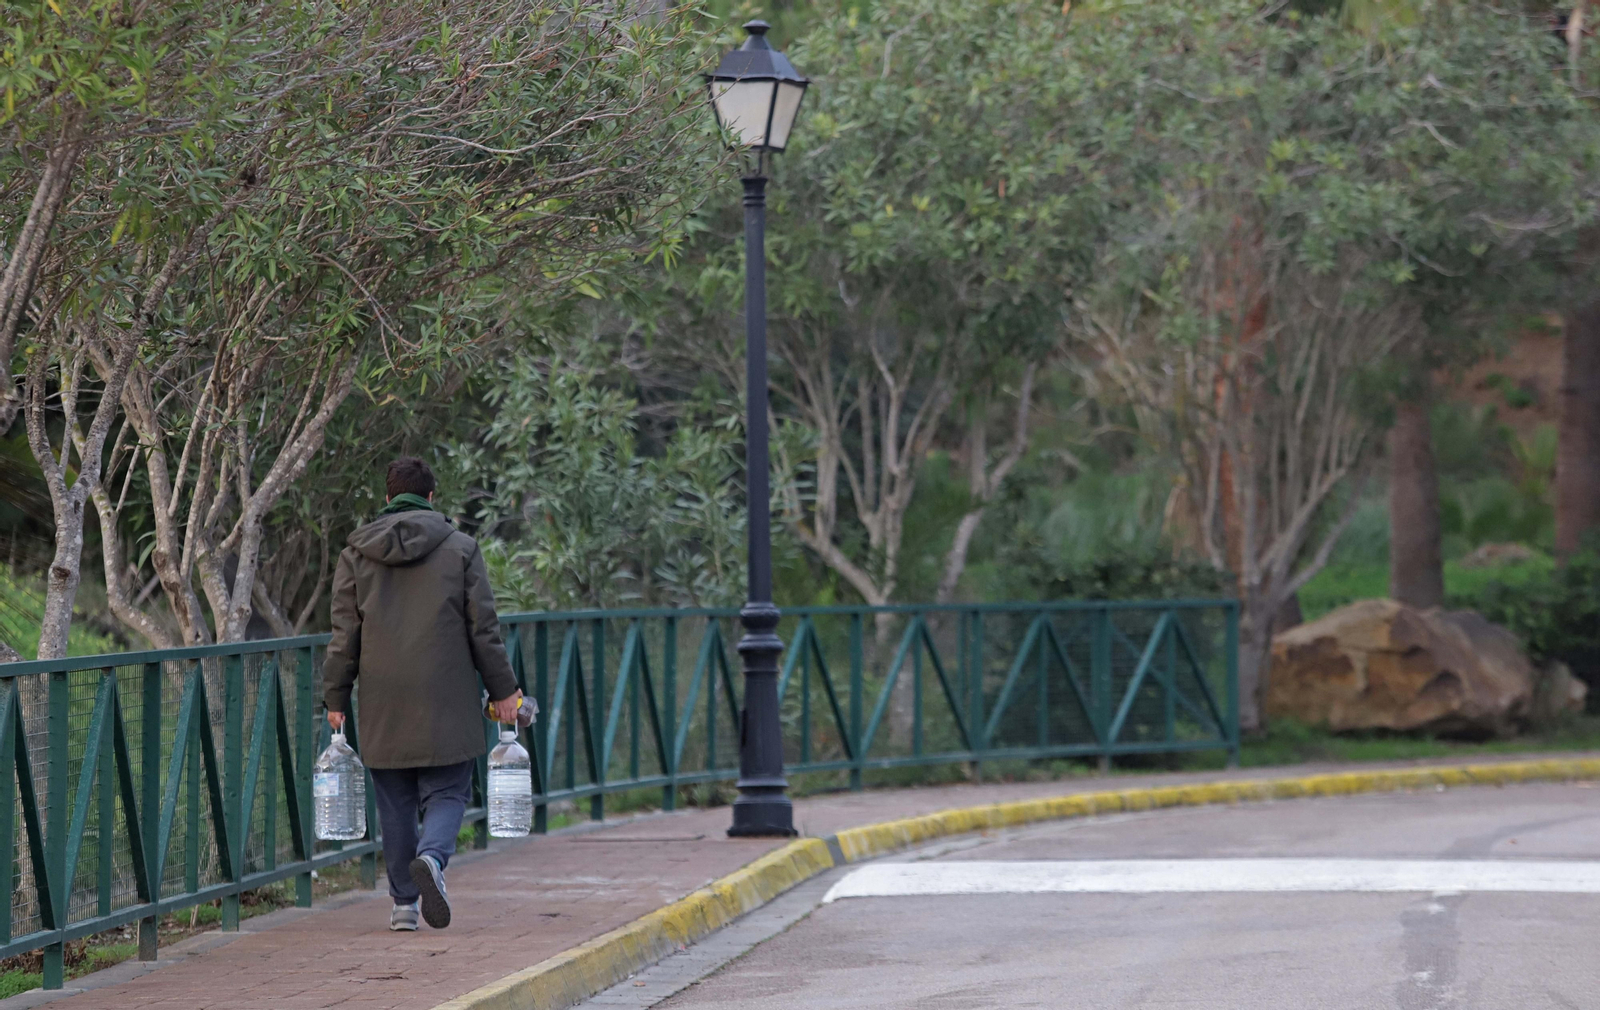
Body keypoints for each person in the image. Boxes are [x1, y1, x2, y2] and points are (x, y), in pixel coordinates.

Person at [323, 456, 522, 931]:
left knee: (394, 801)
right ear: (431, 498)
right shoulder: (461, 549)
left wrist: (335, 696)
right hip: (446, 695)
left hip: (382, 699)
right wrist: (504, 690)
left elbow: (344, 636)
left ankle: (403, 907)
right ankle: (432, 858)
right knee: (449, 790)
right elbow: (484, 629)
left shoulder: (356, 554)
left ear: (388, 498)